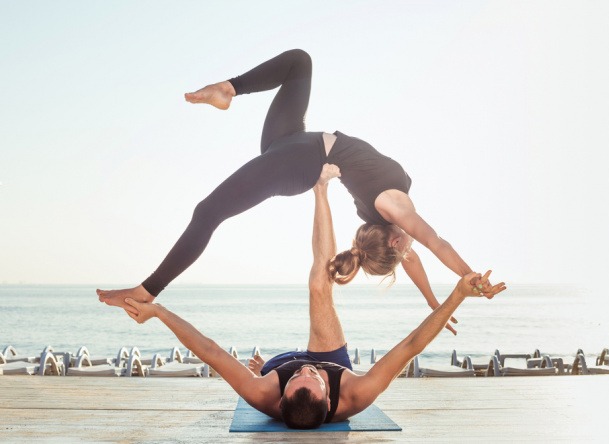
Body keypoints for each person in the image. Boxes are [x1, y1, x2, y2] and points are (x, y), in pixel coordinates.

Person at [97, 49, 499, 318]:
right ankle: (228, 89)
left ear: (395, 240)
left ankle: (148, 290)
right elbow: (413, 261)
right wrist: (434, 304)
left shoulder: (396, 208)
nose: (412, 249)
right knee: (299, 63)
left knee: (208, 212)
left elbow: (436, 244)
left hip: (295, 162)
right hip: (289, 140)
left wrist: (471, 277)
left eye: (405, 247)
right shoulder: (389, 224)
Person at [123, 170, 505, 429]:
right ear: (329, 399)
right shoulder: (355, 394)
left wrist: (158, 311)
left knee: (269, 357)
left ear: (281, 396)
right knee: (320, 285)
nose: (306, 369)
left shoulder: (264, 393)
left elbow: (208, 350)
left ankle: (319, 187)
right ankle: (320, 188)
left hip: (272, 368)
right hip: (332, 357)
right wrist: (456, 296)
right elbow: (410, 345)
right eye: (312, 377)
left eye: (299, 376)